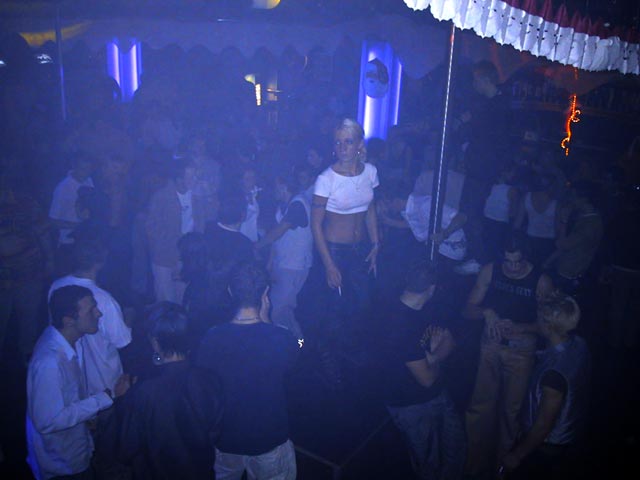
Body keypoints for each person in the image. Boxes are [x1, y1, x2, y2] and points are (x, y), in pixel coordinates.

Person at [196, 263, 299, 480]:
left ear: (230, 291)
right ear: (265, 293)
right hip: (268, 439)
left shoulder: (211, 338)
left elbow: (203, 387)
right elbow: (296, 357)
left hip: (225, 439)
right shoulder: (282, 338)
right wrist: (268, 319)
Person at [463, 233, 554, 476]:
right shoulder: (490, 271)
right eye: (508, 261)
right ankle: (473, 465)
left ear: (526, 258)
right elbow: (467, 310)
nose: (513, 267)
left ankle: (501, 469)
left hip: (521, 351)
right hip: (491, 345)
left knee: (510, 413)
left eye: (518, 262)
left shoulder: (541, 281)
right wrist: (486, 313)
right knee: (480, 406)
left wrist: (520, 328)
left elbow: (548, 327)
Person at [103, 302, 223, 480]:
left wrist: (121, 401)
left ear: (155, 342)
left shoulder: (143, 392)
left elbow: (124, 449)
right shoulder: (209, 379)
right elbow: (215, 431)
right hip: (200, 472)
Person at [26, 285, 130, 480]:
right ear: (69, 321)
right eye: (91, 310)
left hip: (77, 451)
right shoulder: (49, 361)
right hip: (62, 465)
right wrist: (105, 398)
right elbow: (47, 421)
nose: (99, 313)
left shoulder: (73, 343)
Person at [311, 118, 380, 382]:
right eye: (338, 142)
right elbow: (315, 225)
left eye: (348, 142)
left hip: (360, 249)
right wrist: (329, 265)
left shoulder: (370, 172)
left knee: (362, 305)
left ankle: (350, 357)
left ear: (359, 144)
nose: (342, 147)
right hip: (334, 251)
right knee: (334, 311)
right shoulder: (325, 179)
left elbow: (370, 209)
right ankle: (329, 364)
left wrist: (376, 243)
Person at [382, 263, 465, 479]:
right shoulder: (397, 324)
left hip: (438, 393)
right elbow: (426, 379)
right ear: (432, 287)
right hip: (410, 405)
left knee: (456, 451)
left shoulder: (430, 307)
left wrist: (433, 358)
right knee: (429, 465)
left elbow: (451, 341)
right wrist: (437, 356)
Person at [500, 292, 590, 480]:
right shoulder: (579, 344)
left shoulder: (553, 376)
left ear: (548, 326)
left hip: (547, 447)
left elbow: (543, 425)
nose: (536, 321)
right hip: (572, 435)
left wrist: (516, 455)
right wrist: (520, 328)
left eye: (539, 318)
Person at [48, 237, 131, 396]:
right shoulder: (104, 299)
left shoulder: (56, 286)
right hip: (104, 385)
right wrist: (129, 317)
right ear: (101, 262)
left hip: (70, 381)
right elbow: (122, 341)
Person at [456, 61, 511, 273]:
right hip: (479, 168)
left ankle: (480, 260)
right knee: (470, 212)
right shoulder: (488, 105)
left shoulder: (498, 107)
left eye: (475, 79)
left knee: (470, 212)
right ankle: (477, 257)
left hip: (483, 170)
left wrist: (469, 123)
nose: (473, 84)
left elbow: (495, 142)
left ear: (485, 79)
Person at [254, 175, 313, 340]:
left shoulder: (298, 205)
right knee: (279, 309)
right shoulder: (284, 205)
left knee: (278, 310)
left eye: (276, 186)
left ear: (283, 187)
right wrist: (270, 263)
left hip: (295, 265)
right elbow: (277, 238)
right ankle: (291, 342)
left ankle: (298, 343)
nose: (274, 191)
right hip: (283, 264)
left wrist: (255, 246)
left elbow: (277, 232)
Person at [145, 157, 206, 303]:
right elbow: (151, 229)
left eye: (195, 175)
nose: (195, 180)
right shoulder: (161, 197)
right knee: (165, 302)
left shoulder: (197, 197)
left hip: (188, 258)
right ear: (179, 180)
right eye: (191, 177)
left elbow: (202, 224)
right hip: (164, 258)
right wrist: (168, 248)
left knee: (184, 299)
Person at [543, 181, 603, 295]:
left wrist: (564, 220)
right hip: (569, 270)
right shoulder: (586, 217)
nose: (571, 199)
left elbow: (562, 245)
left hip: (570, 273)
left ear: (583, 199)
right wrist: (548, 262)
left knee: (560, 301)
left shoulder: (589, 224)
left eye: (573, 196)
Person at [49, 153, 95, 246]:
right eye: (82, 169)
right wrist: (77, 226)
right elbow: (52, 221)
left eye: (88, 169)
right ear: (74, 166)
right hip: (68, 241)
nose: (86, 173)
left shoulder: (89, 180)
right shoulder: (62, 188)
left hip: (86, 239)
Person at [515, 174, 560, 267]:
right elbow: (557, 228)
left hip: (531, 239)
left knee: (528, 268)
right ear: (551, 186)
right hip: (548, 242)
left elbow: (518, 223)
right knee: (543, 269)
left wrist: (515, 240)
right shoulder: (556, 202)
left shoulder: (526, 197)